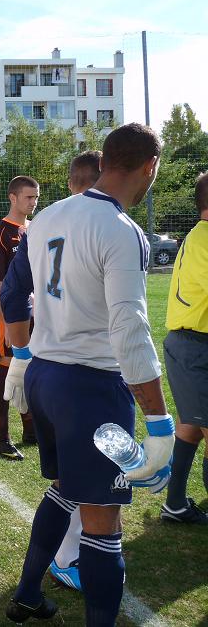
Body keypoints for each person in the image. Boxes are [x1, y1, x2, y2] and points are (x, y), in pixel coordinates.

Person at [0, 124, 175, 625]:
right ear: (150, 166)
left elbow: (13, 296)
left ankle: (29, 591)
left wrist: (22, 361)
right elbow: (129, 328)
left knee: (67, 489)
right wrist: (160, 423)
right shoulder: (122, 230)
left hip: (46, 377)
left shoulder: (47, 215)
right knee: (103, 521)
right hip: (92, 388)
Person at [4, 151, 102, 591]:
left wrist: (22, 353)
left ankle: (47, 570)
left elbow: (11, 294)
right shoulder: (108, 224)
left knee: (69, 475)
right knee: (90, 477)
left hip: (46, 366)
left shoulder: (42, 223)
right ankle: (68, 557)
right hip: (87, 370)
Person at [160, 171, 208, 524]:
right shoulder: (204, 237)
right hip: (195, 347)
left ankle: (174, 503)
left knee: (191, 426)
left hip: (193, 345)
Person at [0, 175, 40, 460]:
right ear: (13, 198)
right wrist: (6, 322)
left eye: (36, 197)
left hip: (35, 313)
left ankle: (30, 430)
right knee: (7, 368)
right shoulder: (2, 233)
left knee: (31, 367)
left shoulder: (36, 229)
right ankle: (2, 437)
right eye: (28, 197)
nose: (33, 202)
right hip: (10, 315)